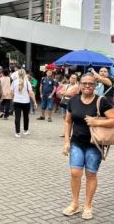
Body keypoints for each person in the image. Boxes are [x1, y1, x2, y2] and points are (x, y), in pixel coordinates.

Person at [62, 73, 114, 220]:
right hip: (76, 143)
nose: (87, 86)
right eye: (84, 83)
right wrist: (66, 141)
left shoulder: (102, 101)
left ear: (95, 85)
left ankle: (88, 206)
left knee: (91, 175)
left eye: (90, 83)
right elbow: (67, 122)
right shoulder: (73, 101)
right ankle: (75, 204)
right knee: (75, 173)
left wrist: (97, 122)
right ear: (79, 84)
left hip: (94, 145)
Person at [10, 69, 37, 138]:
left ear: (18, 74)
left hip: (17, 101)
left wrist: (13, 98)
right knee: (26, 117)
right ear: (25, 74)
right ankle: (25, 130)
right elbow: (31, 93)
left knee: (17, 117)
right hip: (26, 102)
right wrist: (34, 102)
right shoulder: (27, 82)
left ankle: (17, 132)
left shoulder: (14, 82)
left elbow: (11, 92)